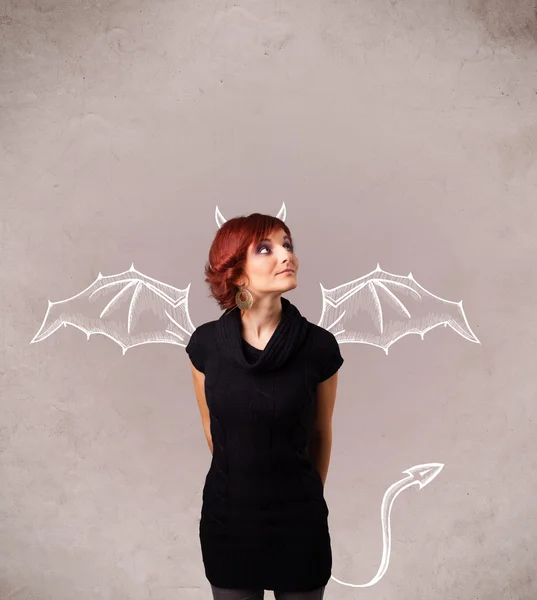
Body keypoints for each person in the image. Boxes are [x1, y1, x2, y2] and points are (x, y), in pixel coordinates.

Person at [186, 213, 344, 599]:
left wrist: (302, 497)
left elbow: (321, 434)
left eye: (287, 244)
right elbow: (213, 429)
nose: (286, 255)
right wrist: (244, 487)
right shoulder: (205, 346)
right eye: (265, 248)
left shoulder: (319, 347)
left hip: (298, 521)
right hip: (230, 521)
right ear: (237, 272)